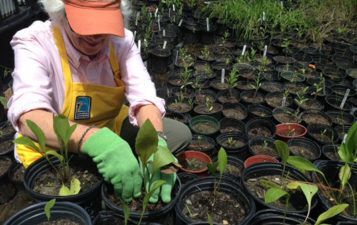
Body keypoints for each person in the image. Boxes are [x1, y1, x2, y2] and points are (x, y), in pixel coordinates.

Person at [7, 0, 192, 203]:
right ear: (62, 15)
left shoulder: (120, 41)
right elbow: (29, 116)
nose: (95, 36)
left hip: (107, 126)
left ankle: (131, 164)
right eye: (85, 25)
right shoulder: (36, 42)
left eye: (103, 25)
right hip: (56, 146)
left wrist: (156, 143)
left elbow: (144, 96)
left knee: (176, 135)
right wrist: (96, 141)